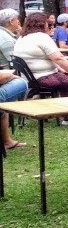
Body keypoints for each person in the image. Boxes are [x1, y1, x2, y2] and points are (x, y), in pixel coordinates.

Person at [14, 12, 68, 98]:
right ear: (42, 24)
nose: (48, 24)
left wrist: (61, 69)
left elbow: (42, 58)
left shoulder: (21, 38)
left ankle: (62, 104)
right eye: (46, 22)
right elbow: (58, 58)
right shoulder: (41, 37)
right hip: (43, 77)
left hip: (30, 78)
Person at [0, 9, 29, 148]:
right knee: (22, 82)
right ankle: (6, 141)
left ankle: (6, 141)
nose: (19, 21)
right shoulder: (5, 39)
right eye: (17, 19)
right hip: (5, 76)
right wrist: (11, 75)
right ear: (11, 21)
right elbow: (14, 62)